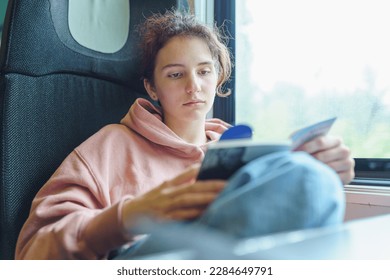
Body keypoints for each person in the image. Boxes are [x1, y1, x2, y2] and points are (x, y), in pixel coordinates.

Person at [15, 10, 355, 260]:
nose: (194, 86)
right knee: (310, 182)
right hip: (146, 259)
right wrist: (127, 216)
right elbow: (31, 254)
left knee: (314, 178)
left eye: (204, 72)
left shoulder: (239, 149)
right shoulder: (109, 146)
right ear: (152, 87)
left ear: (218, 77)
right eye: (176, 75)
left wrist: (323, 166)